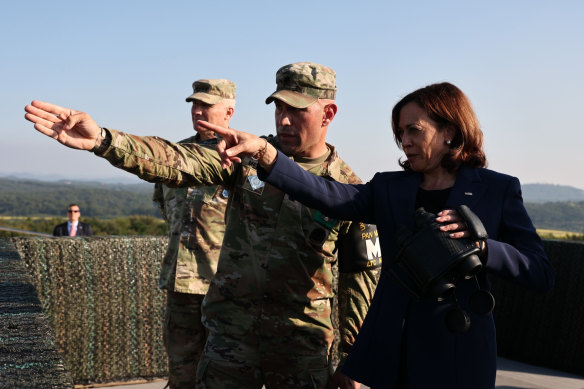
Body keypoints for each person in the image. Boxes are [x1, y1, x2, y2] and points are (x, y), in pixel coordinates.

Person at [24, 62, 381, 389]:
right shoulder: (245, 158)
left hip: (300, 349)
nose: (284, 120)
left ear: (328, 113)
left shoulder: (349, 191)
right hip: (230, 343)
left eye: (297, 110)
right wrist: (103, 140)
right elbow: (178, 161)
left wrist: (353, 364)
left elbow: (359, 285)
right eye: (279, 108)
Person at [199, 82, 556, 389]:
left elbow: (539, 272)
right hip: (394, 350)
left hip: (459, 348)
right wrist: (267, 154)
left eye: (414, 130)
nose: (405, 142)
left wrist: (483, 247)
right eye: (400, 133)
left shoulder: (497, 189)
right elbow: (330, 195)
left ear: (450, 130)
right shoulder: (390, 187)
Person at [152, 79, 235, 389]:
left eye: (206, 105)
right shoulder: (175, 155)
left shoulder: (245, 157)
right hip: (181, 284)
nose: (197, 111)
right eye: (194, 105)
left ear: (229, 110)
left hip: (224, 287)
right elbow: (166, 208)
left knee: (225, 376)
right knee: (182, 375)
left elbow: (261, 206)